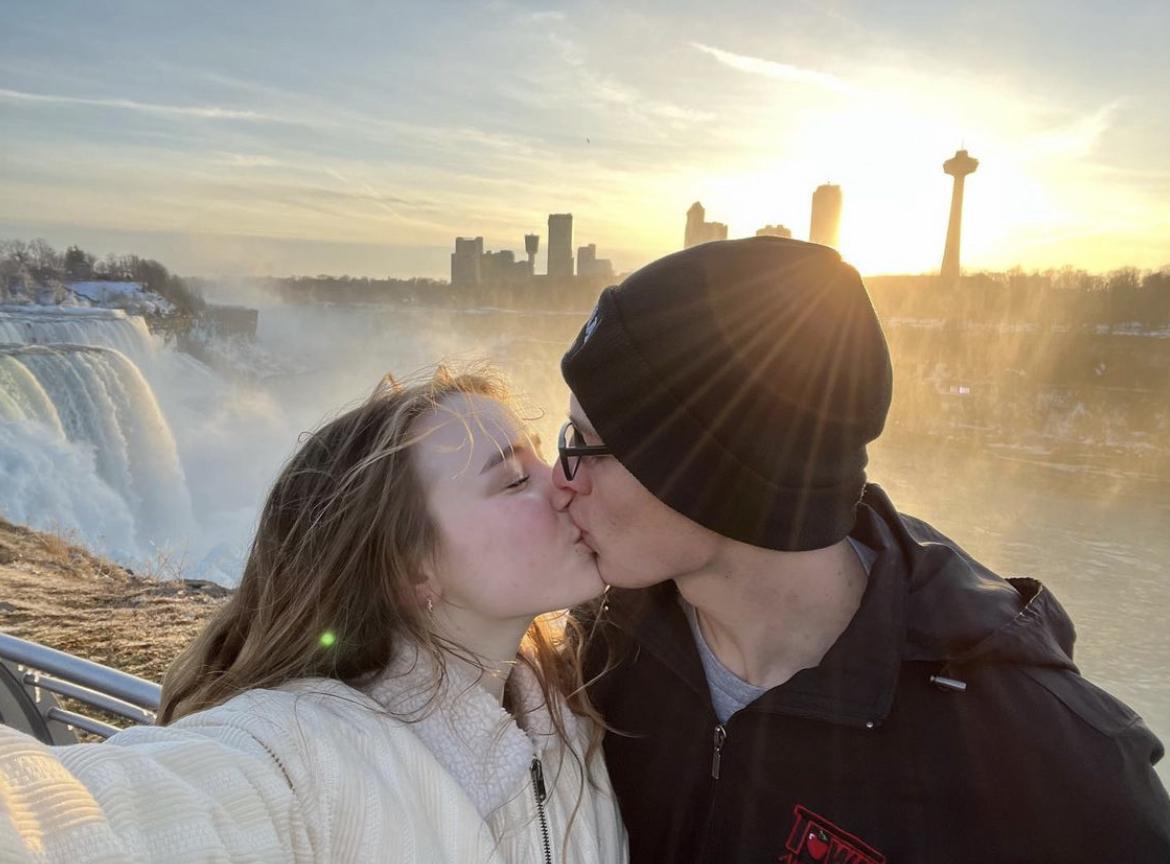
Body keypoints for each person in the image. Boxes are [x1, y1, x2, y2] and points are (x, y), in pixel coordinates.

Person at [555, 237, 1170, 863]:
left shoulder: (1036, 762)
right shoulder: (599, 652)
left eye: (583, 441)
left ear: (710, 473)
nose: (560, 481)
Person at [0, 368, 627, 863]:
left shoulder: (570, 710)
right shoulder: (307, 758)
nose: (566, 481)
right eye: (516, 478)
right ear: (410, 572)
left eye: (544, 456)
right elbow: (77, 823)